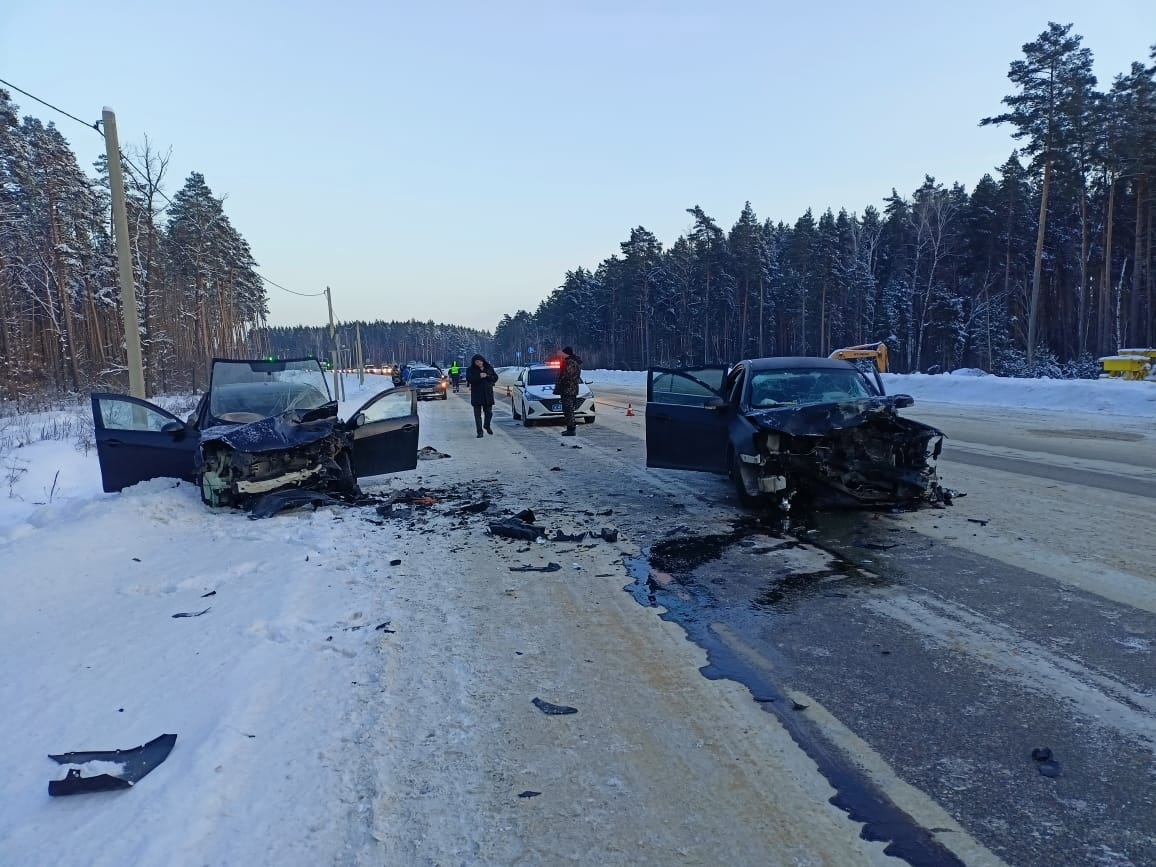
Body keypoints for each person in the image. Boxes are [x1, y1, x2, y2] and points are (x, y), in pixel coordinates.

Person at [465, 354, 497, 437]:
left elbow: (495, 378)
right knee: (477, 415)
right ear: (474, 362)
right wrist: (479, 376)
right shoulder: (470, 369)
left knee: (489, 413)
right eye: (476, 362)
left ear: (483, 361)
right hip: (477, 395)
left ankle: (487, 425)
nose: (478, 363)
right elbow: (469, 379)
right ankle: (479, 432)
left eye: (480, 361)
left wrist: (487, 376)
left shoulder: (489, 368)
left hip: (488, 394)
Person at [555, 346, 583, 436]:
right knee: (569, 409)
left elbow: (567, 375)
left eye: (563, 353)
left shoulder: (570, 363)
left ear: (566, 353)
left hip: (568, 389)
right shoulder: (573, 362)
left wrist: (560, 381)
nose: (561, 355)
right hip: (571, 388)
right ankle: (570, 428)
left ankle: (571, 429)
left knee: (568, 409)